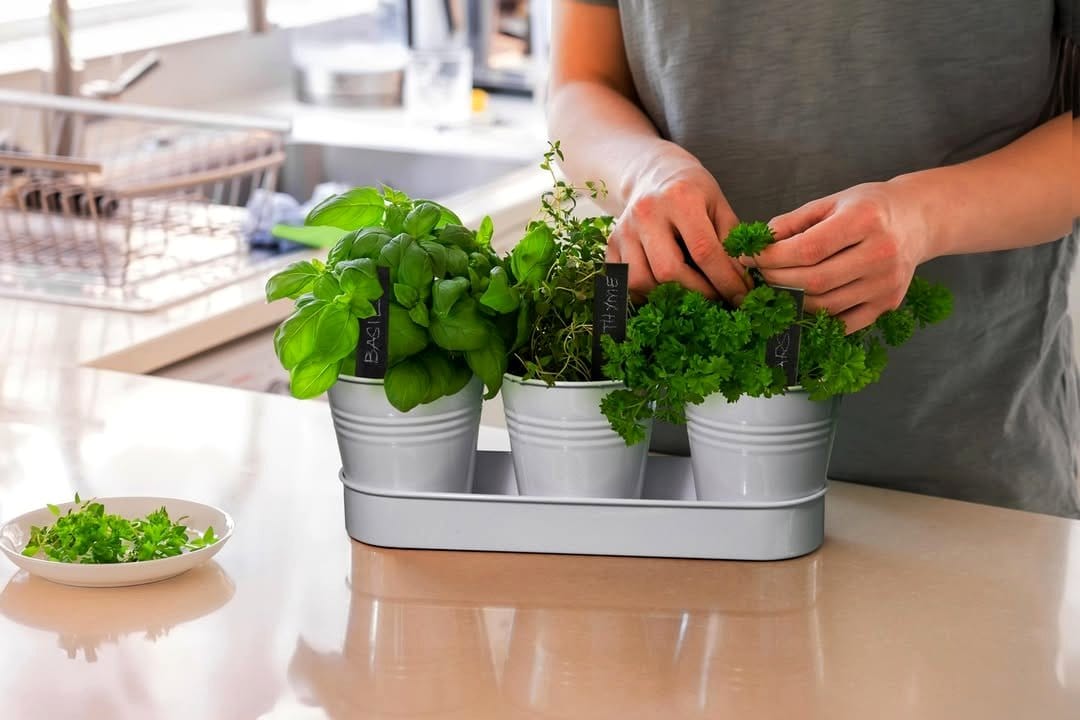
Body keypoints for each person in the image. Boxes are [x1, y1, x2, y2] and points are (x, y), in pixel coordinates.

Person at [548, 0, 1080, 517]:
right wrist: (644, 171)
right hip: (667, 459)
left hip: (961, 470)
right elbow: (582, 80)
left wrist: (924, 217)